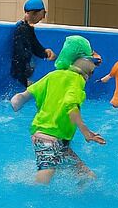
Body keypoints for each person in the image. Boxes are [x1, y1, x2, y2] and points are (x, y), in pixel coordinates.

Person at [11, 35, 106, 185]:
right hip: (49, 138)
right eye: (90, 61)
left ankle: (76, 201)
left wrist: (17, 102)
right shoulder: (76, 80)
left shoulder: (52, 75)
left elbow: (26, 95)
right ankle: (34, 202)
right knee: (46, 173)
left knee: (86, 175)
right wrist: (86, 132)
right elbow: (71, 107)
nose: (93, 66)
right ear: (79, 61)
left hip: (54, 139)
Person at [10, 0, 56, 88]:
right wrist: (24, 79)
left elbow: (34, 46)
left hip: (23, 72)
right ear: (34, 13)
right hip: (21, 73)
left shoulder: (27, 28)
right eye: (43, 14)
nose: (43, 17)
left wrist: (45, 52)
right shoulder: (21, 29)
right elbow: (20, 55)